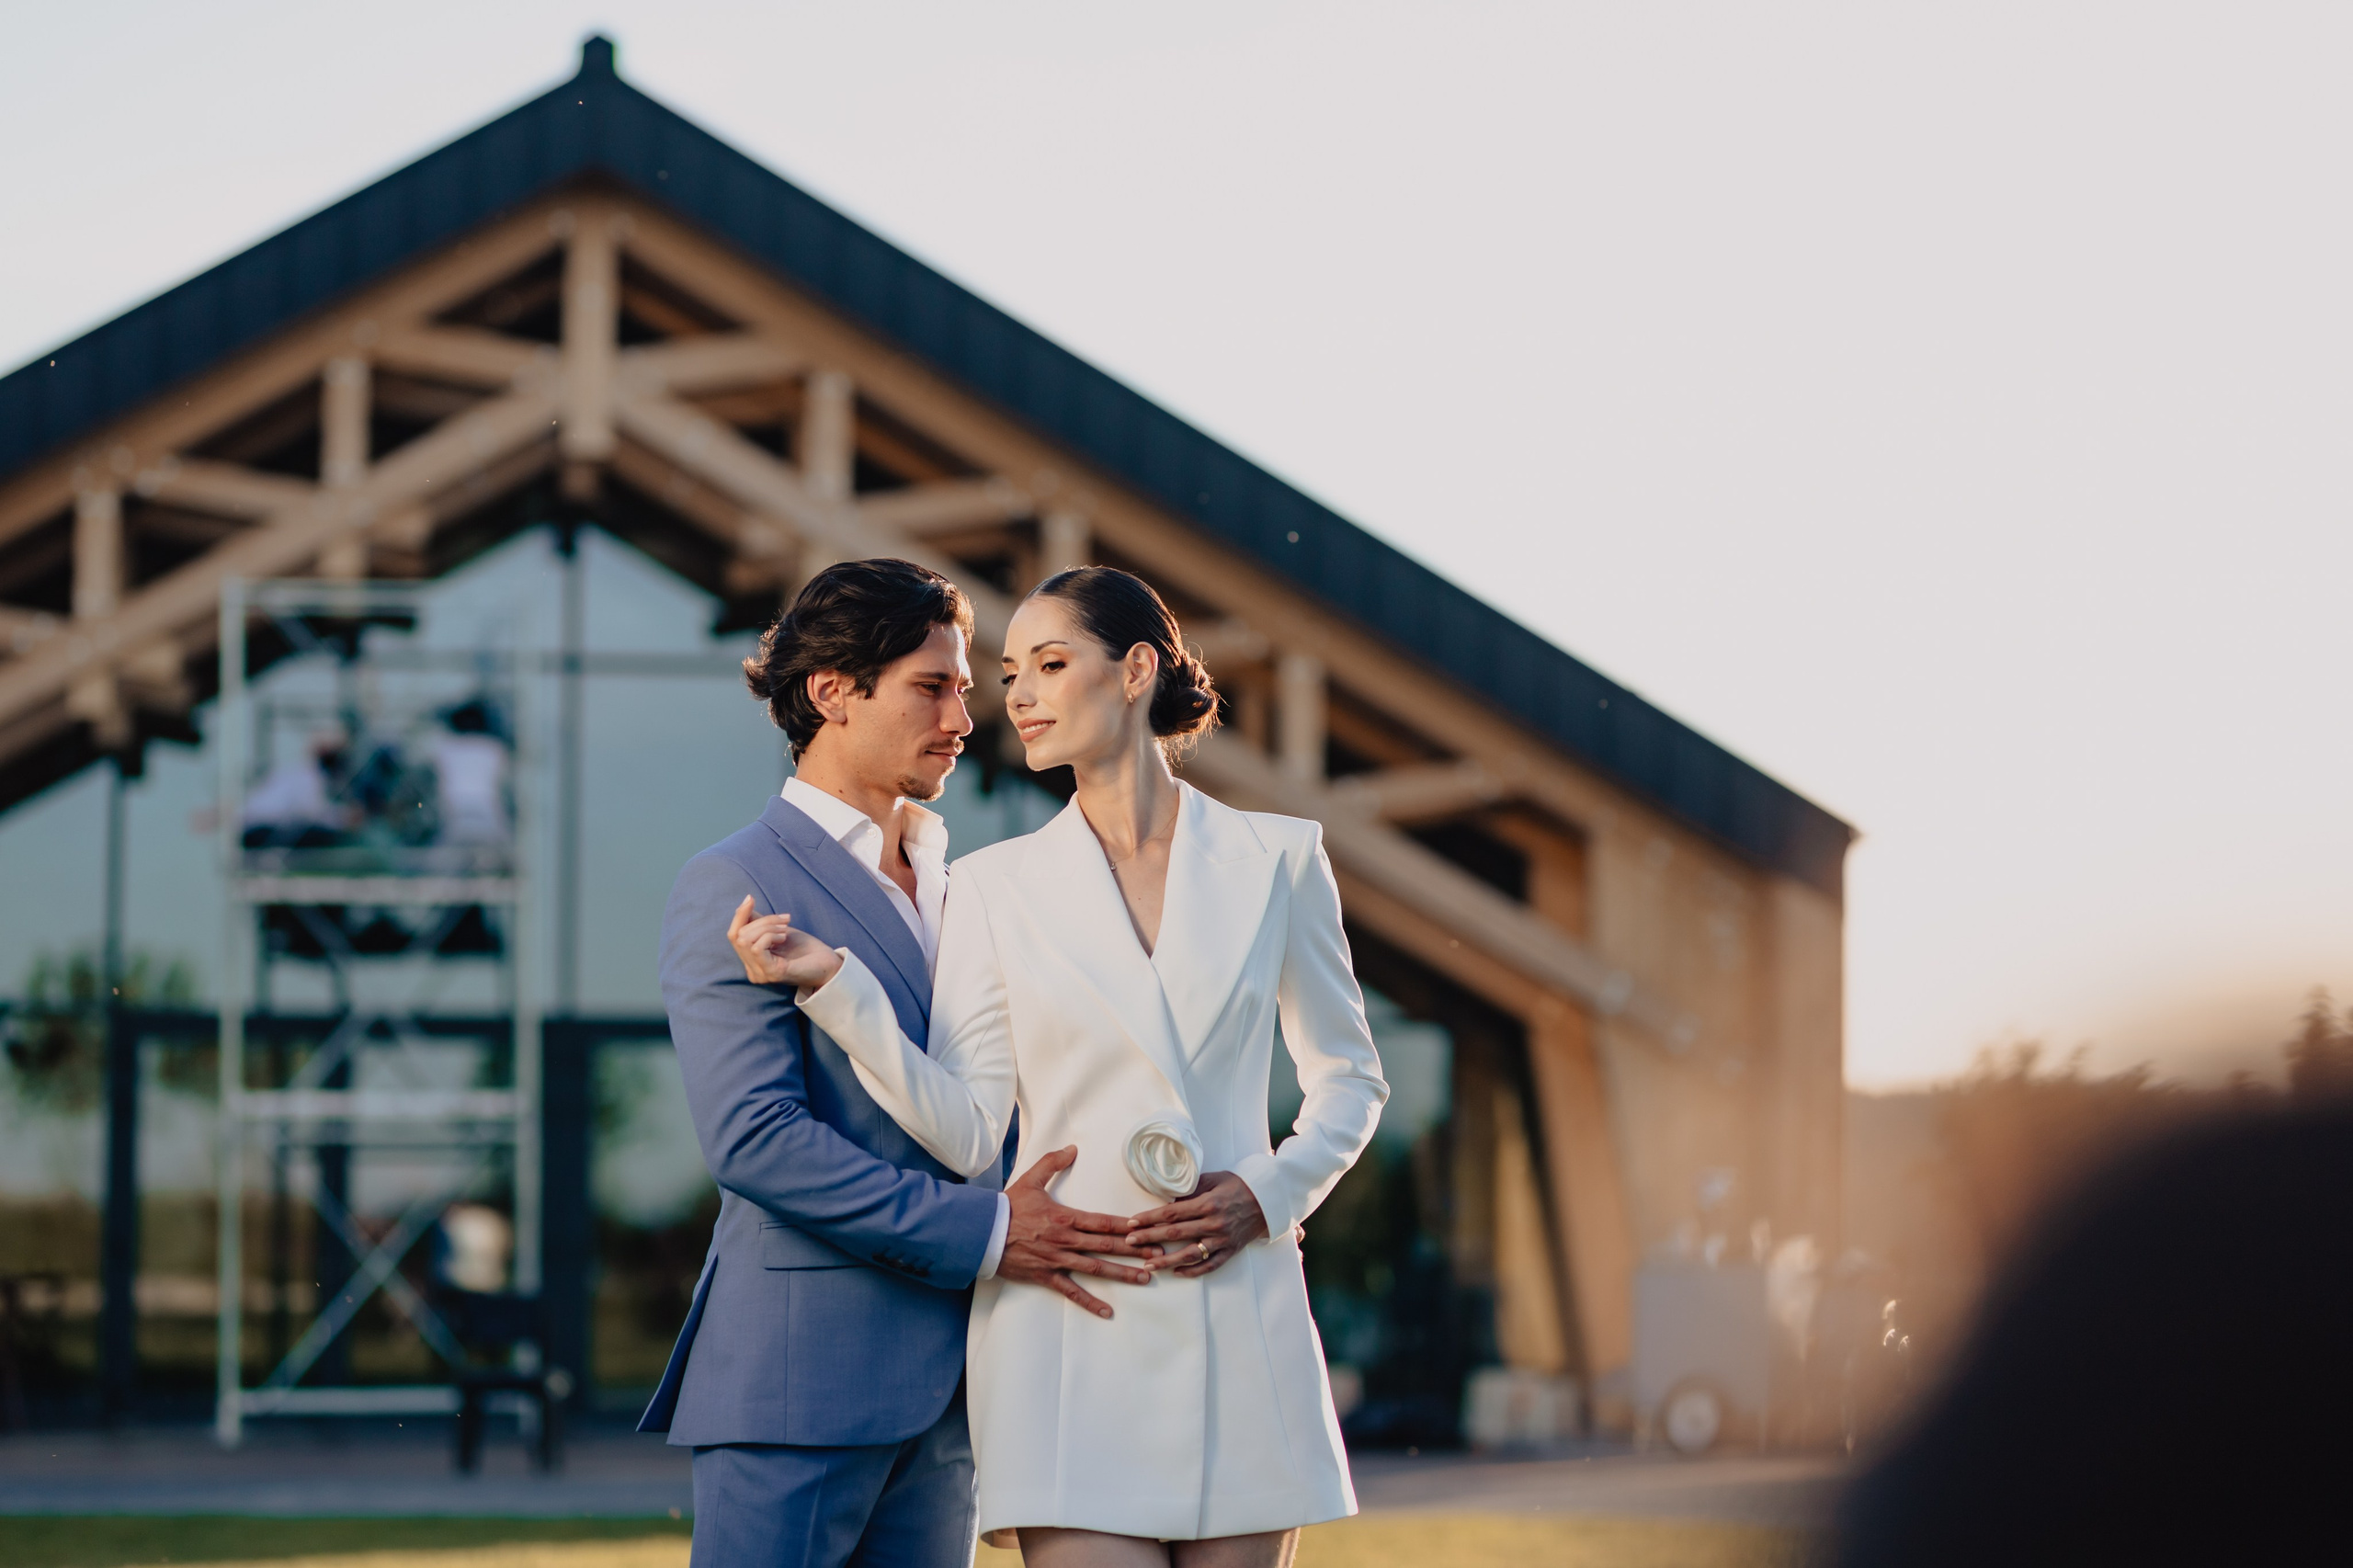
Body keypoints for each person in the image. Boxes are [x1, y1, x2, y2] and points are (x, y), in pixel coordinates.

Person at [731, 565, 1391, 1567]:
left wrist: (1265, 1194)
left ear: (1134, 670)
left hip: (1238, 1303)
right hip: (1073, 1322)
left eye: (1049, 662)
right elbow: (963, 1126)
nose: (1018, 695)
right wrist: (841, 990)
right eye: (1008, 673)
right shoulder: (993, 888)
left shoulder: (1281, 857)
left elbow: (1350, 1079)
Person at [640, 559, 1160, 1568]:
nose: (967, 718)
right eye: (934, 685)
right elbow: (758, 1142)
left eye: (965, 688)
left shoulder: (965, 886)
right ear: (832, 692)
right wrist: (991, 1231)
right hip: (799, 1380)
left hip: (957, 1391)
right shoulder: (732, 881)